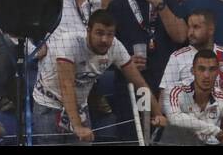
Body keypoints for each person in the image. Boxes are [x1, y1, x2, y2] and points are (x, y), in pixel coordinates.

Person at [32, 9, 155, 144]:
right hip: (49, 104)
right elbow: (66, 85)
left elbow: (139, 81)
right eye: (99, 33)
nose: (105, 39)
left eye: (110, 34)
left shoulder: (115, 46)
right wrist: (77, 126)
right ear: (88, 31)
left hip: (79, 105)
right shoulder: (68, 43)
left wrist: (158, 113)